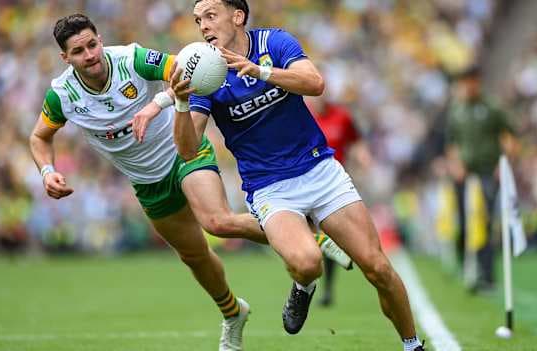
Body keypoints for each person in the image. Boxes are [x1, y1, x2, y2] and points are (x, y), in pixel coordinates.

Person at [29, 13, 346, 351]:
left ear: (100, 39)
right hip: (147, 182)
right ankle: (233, 314)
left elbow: (187, 69)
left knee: (218, 221)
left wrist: (155, 104)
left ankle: (313, 238)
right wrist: (48, 172)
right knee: (194, 255)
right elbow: (39, 137)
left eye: (93, 44)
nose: (90, 55)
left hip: (185, 151)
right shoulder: (62, 95)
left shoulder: (131, 60)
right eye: (79, 51)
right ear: (65, 58)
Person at [170, 1, 425, 350]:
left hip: (319, 169)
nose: (203, 26)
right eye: (198, 20)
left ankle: (413, 346)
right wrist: (182, 105)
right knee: (307, 263)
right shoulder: (206, 74)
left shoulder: (273, 44)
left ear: (238, 16)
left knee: (378, 268)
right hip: (270, 187)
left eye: (211, 16)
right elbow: (187, 149)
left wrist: (260, 72)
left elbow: (315, 83)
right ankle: (303, 286)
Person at [445, 65, 515, 293]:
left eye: (472, 81)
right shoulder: (457, 110)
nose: (469, 86)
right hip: (464, 175)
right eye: (466, 82)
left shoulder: (492, 107)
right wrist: (456, 164)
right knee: (465, 222)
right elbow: (452, 142)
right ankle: (466, 267)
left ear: (478, 81)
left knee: (483, 222)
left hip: (486, 171)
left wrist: (502, 163)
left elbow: (509, 135)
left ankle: (486, 275)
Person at [307, 95, 372, 306]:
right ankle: (307, 284)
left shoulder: (342, 116)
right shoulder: (303, 114)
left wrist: (363, 157)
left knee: (330, 236)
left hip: (333, 186)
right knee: (303, 233)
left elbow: (356, 140)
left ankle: (326, 290)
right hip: (305, 183)